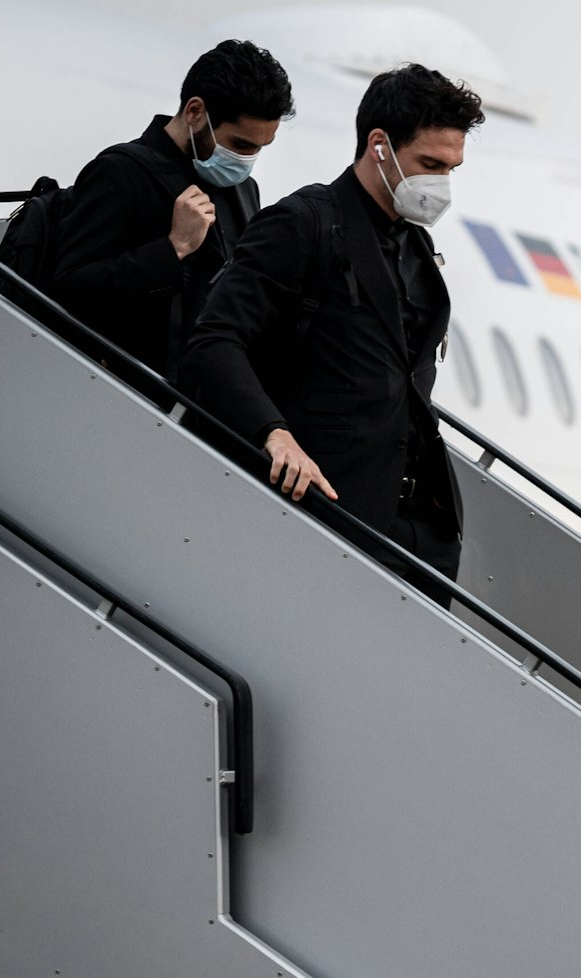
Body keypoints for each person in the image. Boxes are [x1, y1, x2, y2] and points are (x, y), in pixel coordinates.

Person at [180, 64, 483, 593]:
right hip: (325, 511)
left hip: (413, 529)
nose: (441, 183)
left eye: (451, 168)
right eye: (430, 163)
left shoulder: (414, 247)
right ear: (379, 145)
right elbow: (214, 338)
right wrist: (273, 433)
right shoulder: (303, 222)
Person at [50, 40, 293, 380]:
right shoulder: (121, 172)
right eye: (239, 144)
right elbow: (70, 289)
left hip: (205, 401)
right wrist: (173, 248)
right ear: (195, 112)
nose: (247, 160)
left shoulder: (243, 188)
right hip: (127, 393)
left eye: (260, 148)